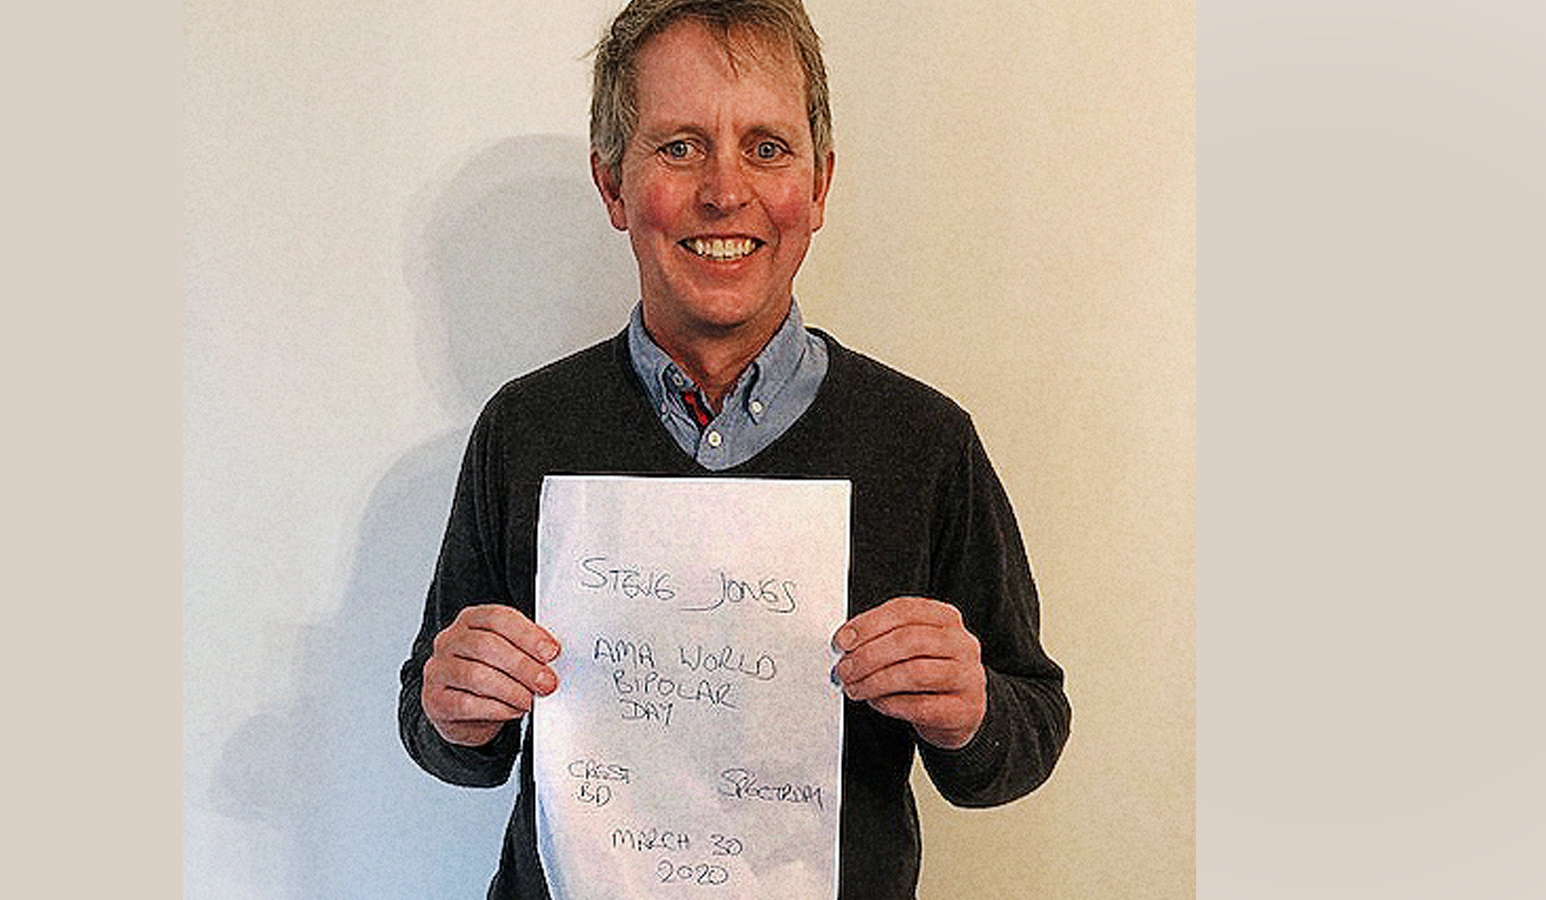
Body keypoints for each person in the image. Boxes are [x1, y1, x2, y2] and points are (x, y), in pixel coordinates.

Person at [398, 1, 1070, 897]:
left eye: (766, 147)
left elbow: (1029, 730)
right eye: (679, 146)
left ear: (819, 186)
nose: (724, 189)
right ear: (612, 185)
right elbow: (443, 731)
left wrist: (974, 712)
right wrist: (453, 712)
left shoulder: (923, 441)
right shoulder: (525, 430)